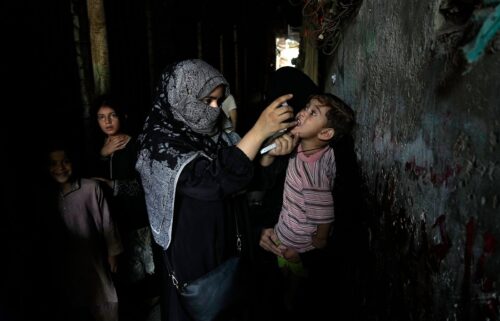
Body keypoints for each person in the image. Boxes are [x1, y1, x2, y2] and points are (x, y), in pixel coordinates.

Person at [135, 58, 295, 321]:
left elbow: (240, 177)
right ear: (181, 96)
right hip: (193, 254)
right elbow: (210, 181)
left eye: (219, 102)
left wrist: (266, 158)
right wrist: (258, 132)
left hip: (229, 242)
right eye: (207, 100)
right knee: (200, 307)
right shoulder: (157, 143)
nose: (214, 110)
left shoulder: (215, 131)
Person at [258, 93, 356, 315]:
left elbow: (325, 216)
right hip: (287, 229)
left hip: (295, 243)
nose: (302, 113)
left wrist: (315, 244)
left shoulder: (313, 174)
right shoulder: (316, 148)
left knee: (291, 284)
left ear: (325, 133)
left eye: (313, 113)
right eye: (306, 107)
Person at [90, 94, 159, 321]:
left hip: (136, 219)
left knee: (143, 271)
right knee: (120, 274)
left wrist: (114, 185)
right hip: (111, 221)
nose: (107, 122)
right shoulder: (96, 145)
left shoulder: (136, 144)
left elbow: (147, 184)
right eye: (101, 117)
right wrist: (102, 155)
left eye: (112, 115)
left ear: (123, 116)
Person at [45, 141, 123, 321]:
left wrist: (113, 252)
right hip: (65, 262)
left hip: (94, 257)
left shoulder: (90, 188)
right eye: (54, 163)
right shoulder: (47, 196)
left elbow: (107, 221)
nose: (60, 168)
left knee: (105, 301)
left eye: (65, 161)